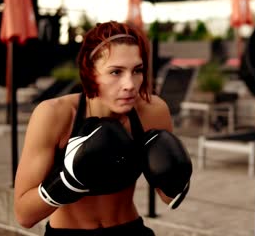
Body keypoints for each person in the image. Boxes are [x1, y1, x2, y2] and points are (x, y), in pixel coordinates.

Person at [14, 21, 192, 235]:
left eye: (137, 70)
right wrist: (67, 181)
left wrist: (177, 174)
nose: (130, 84)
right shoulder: (55, 115)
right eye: (116, 72)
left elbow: (168, 197)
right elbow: (24, 215)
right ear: (91, 73)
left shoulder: (152, 112)